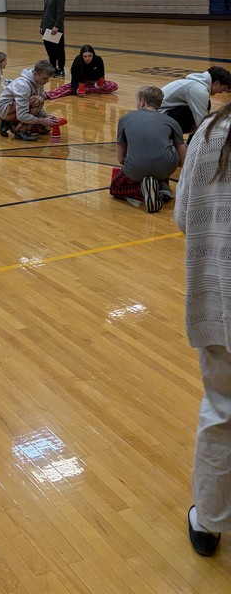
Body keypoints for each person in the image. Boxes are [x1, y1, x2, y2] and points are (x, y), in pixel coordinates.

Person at [175, 98, 231, 556]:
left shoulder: (211, 131)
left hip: (219, 303)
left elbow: (181, 216)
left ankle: (209, 523)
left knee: (221, 413)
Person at [110, 85, 185, 211]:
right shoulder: (171, 121)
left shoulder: (125, 119)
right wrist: (177, 165)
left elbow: (121, 158)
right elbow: (182, 151)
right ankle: (160, 188)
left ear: (142, 102)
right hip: (166, 168)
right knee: (163, 152)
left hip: (137, 167)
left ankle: (142, 190)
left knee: (116, 188)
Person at [0, 59, 59, 141]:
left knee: (46, 128)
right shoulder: (23, 86)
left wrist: (47, 116)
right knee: (38, 100)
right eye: (45, 78)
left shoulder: (39, 81)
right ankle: (21, 131)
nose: (47, 81)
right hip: (5, 109)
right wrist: (42, 120)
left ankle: (11, 124)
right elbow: (22, 115)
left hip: (17, 108)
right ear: (36, 74)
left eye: (48, 79)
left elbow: (35, 107)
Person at [160, 66, 231, 137]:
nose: (222, 92)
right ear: (216, 83)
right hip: (159, 120)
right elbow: (202, 122)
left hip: (158, 115)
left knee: (203, 109)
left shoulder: (195, 84)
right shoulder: (199, 90)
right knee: (198, 120)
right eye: (224, 89)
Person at [47, 44, 118, 98]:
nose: (88, 58)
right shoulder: (77, 61)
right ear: (82, 56)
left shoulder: (98, 60)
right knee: (64, 89)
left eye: (90, 56)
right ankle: (47, 95)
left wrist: (100, 84)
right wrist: (77, 88)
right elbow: (74, 81)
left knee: (113, 85)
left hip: (93, 84)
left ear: (93, 55)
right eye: (85, 56)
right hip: (81, 83)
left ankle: (88, 90)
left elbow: (102, 76)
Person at [41, 0, 65, 77]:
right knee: (50, 50)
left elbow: (60, 13)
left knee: (58, 50)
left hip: (55, 29)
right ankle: (53, 67)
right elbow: (45, 11)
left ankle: (61, 69)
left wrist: (56, 26)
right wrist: (41, 25)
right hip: (46, 28)